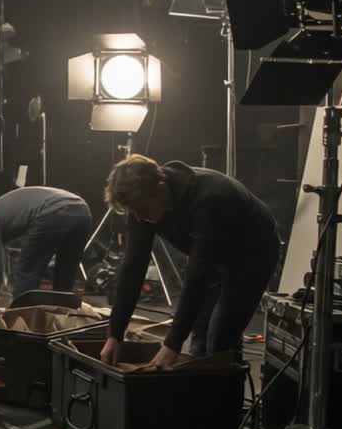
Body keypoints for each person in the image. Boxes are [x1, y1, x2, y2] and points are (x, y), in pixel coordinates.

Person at [99, 154, 279, 369]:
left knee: (220, 337)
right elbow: (133, 268)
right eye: (134, 212)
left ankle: (228, 386)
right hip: (213, 255)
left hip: (252, 254)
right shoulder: (141, 205)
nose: (139, 218)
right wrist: (115, 334)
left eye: (143, 210)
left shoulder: (210, 198)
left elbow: (197, 277)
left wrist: (172, 344)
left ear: (161, 187)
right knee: (199, 339)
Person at [0, 186, 92, 311]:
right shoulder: (6, 209)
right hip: (83, 211)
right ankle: (62, 315)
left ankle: (21, 316)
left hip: (53, 211)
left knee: (27, 271)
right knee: (65, 273)